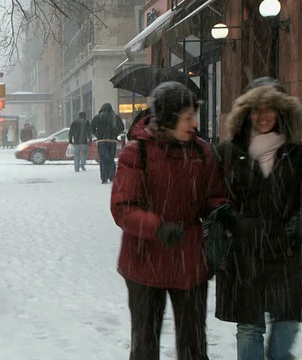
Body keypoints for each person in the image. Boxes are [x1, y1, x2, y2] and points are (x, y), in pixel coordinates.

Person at [111, 81, 227, 360]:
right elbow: (123, 207)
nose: (193, 123)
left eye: (194, 116)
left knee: (193, 345)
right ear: (169, 119)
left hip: (189, 260)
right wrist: (157, 227)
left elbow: (214, 195)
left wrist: (221, 212)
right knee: (144, 345)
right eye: (187, 117)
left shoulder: (202, 152)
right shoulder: (136, 153)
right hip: (144, 260)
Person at [213, 77, 302, 360]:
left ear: (282, 112)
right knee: (249, 328)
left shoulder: (297, 152)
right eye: (256, 109)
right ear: (245, 113)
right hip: (244, 251)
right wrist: (226, 223)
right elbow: (214, 197)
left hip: (288, 250)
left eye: (270, 109)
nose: (263, 116)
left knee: (287, 322)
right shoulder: (228, 152)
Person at [91, 103, 125, 183]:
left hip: (101, 141)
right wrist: (115, 134)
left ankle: (104, 178)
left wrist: (98, 135)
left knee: (103, 159)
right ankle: (112, 176)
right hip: (112, 141)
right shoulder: (115, 117)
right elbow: (121, 127)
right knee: (111, 158)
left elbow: (92, 128)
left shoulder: (98, 117)